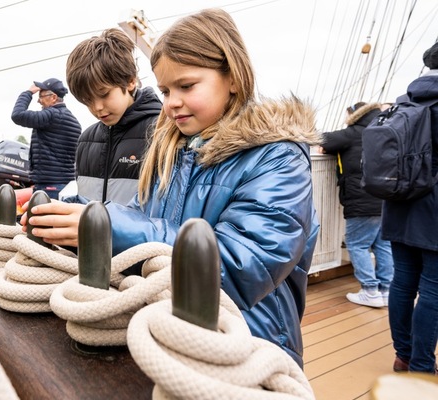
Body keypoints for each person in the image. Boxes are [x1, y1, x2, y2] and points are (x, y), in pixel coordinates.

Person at [23, 8, 321, 367]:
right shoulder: (175, 151)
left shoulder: (278, 159)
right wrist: (82, 217)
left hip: (249, 346)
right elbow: (140, 214)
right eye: (165, 89)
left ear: (234, 78)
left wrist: (111, 229)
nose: (171, 102)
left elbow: (245, 268)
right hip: (173, 333)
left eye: (186, 86)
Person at [384, 41, 438, 375]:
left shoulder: (404, 101)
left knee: (402, 282)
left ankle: (403, 354)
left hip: (398, 202)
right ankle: (422, 365)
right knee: (433, 288)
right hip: (434, 210)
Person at [64, 28, 162, 205]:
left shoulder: (162, 132)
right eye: (87, 100)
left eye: (104, 94)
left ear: (131, 81)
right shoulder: (85, 140)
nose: (97, 108)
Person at [320, 102, 393, 308]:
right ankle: (386, 291)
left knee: (357, 244)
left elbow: (322, 139)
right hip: (386, 199)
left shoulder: (353, 132)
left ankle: (370, 290)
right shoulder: (385, 130)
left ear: (354, 115)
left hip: (362, 200)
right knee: (383, 244)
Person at [11, 77, 81, 199]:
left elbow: (17, 115)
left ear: (53, 97)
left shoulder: (51, 115)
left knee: (42, 218)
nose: (38, 101)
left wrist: (28, 93)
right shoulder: (74, 121)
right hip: (65, 184)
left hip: (49, 187)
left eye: (41, 96)